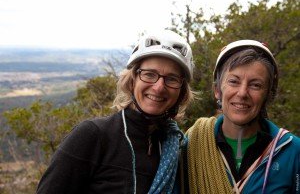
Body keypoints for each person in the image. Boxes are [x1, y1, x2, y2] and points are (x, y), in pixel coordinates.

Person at [36, 29, 195, 194]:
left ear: (181, 91)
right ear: (132, 79)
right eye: (149, 74)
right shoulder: (93, 136)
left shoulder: (174, 147)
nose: (159, 87)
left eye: (172, 79)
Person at [181, 40, 300, 194]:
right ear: (217, 89)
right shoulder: (190, 146)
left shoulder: (292, 151)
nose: (243, 93)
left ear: (268, 95)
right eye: (234, 81)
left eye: (255, 85)